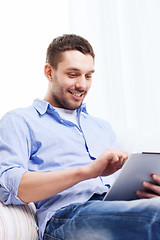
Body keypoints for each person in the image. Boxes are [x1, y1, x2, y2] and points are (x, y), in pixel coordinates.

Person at [0, 34, 160, 240]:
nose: (82, 85)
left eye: (88, 76)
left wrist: (146, 193)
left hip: (113, 208)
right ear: (49, 72)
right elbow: (10, 187)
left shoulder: (101, 127)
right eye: (73, 74)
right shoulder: (20, 120)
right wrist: (88, 172)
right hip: (65, 218)